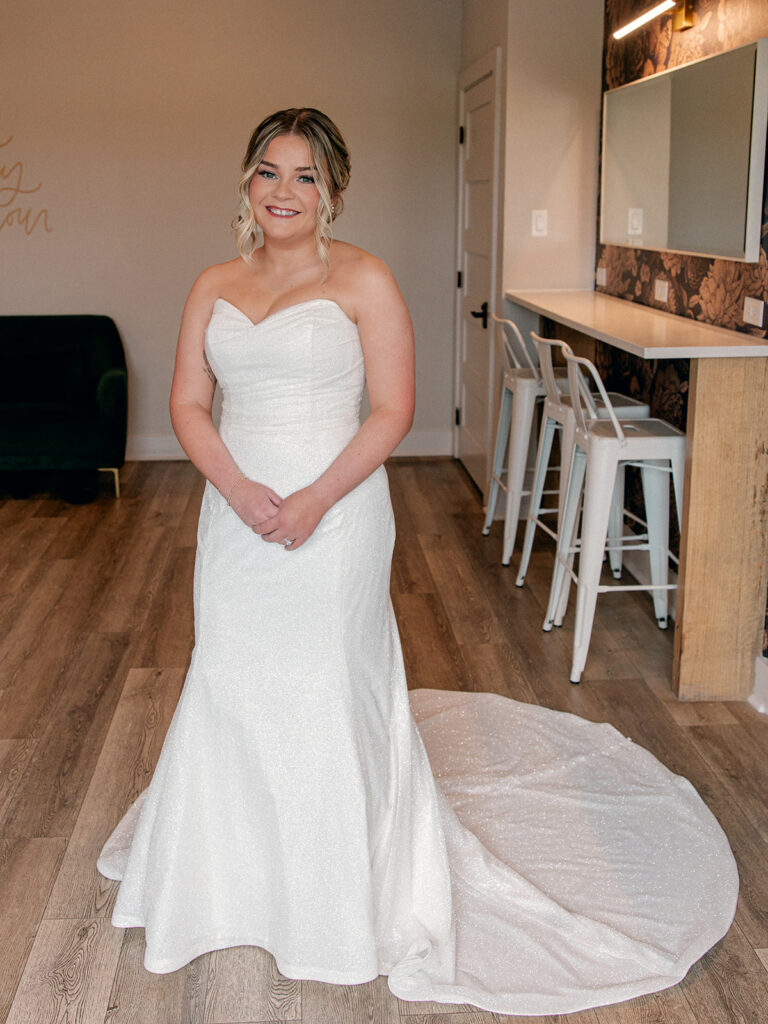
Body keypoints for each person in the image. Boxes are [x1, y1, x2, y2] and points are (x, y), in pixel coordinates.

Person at [98, 108, 738, 1015]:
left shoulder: (364, 277)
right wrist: (240, 492)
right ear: (246, 182)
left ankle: (337, 895)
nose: (284, 192)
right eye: (269, 173)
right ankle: (229, 880)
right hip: (237, 513)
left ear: (333, 190)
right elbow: (189, 405)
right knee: (233, 678)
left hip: (338, 510)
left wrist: (315, 499)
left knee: (324, 681)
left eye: (306, 176)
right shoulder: (212, 284)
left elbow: (393, 410)